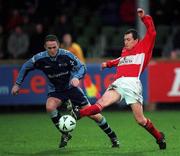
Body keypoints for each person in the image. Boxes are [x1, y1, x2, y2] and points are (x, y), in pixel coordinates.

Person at [72, 8, 166, 150]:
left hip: (132, 83)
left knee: (140, 120)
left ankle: (159, 137)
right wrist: (108, 64)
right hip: (118, 83)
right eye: (124, 40)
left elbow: (152, 32)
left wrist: (144, 18)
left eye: (128, 39)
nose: (125, 42)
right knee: (100, 103)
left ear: (136, 40)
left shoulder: (144, 47)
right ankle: (78, 114)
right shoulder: (124, 51)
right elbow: (120, 60)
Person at [11, 34, 119, 148]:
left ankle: (113, 137)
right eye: (49, 48)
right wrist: (17, 84)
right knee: (49, 107)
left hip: (71, 89)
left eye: (54, 47)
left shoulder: (66, 55)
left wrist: (77, 77)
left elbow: (82, 67)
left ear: (58, 45)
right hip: (56, 91)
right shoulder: (40, 58)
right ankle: (65, 133)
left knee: (94, 115)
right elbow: (25, 67)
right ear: (45, 47)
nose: (52, 50)